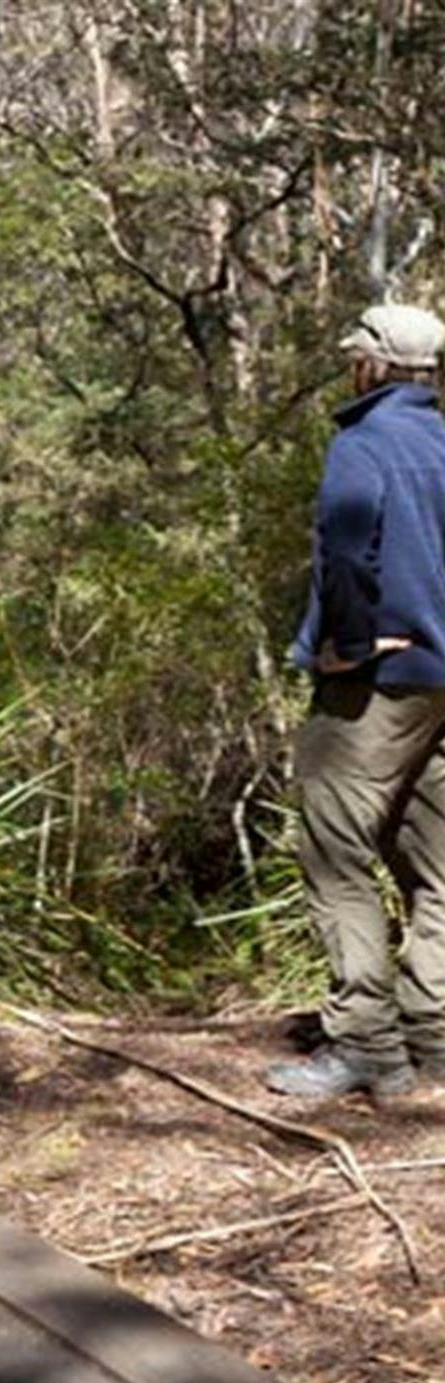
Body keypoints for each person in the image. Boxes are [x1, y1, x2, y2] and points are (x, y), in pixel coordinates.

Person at [273, 302, 445, 1099]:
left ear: (373, 366)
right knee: (438, 869)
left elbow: (346, 555)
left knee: (337, 857)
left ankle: (368, 1047)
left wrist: (347, 642)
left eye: (356, 357)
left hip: (377, 686)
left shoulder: (363, 444)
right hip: (441, 688)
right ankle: (435, 1036)